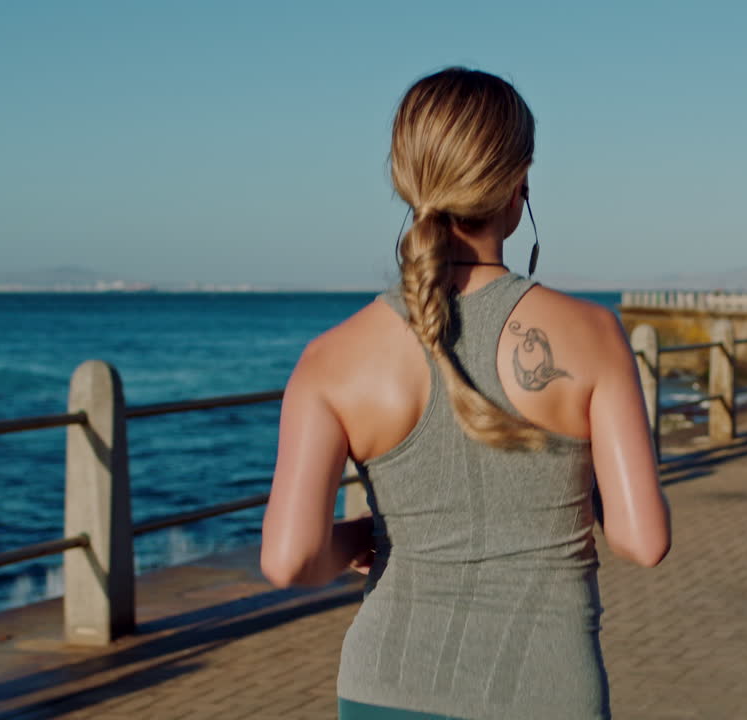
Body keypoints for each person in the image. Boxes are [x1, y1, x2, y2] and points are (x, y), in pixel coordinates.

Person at [259, 67, 671, 720]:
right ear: (519, 181)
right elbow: (642, 541)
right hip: (546, 693)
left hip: (381, 689)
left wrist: (362, 536)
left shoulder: (331, 359)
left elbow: (289, 560)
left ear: (406, 178)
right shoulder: (593, 335)